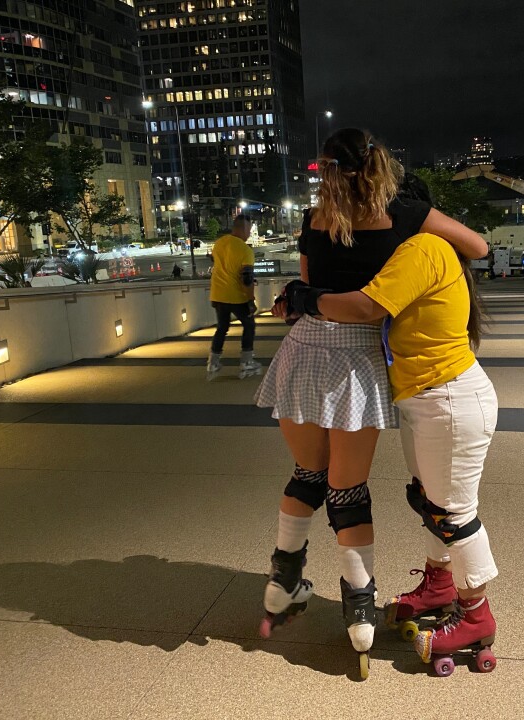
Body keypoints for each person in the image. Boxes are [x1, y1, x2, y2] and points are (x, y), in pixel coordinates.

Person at [252, 128, 489, 677]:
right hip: (358, 364)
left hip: (302, 354)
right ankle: (359, 607)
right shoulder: (405, 213)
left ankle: (282, 580)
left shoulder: (314, 219)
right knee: (347, 488)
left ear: (326, 171)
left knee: (307, 474)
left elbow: (312, 294)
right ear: (378, 162)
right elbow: (478, 246)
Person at [282, 230, 500, 677]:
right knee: (429, 502)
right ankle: (439, 585)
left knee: (454, 514)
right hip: (426, 400)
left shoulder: (423, 248)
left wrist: (305, 298)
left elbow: (366, 306)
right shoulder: (415, 250)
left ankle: (476, 613)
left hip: (450, 401)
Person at [207, 215, 260, 380]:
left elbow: (225, 267)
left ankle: (213, 363)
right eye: (249, 230)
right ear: (243, 229)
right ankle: (246, 362)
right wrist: (250, 300)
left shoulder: (219, 243)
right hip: (236, 296)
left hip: (217, 294)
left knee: (222, 328)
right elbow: (246, 278)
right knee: (249, 325)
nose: (249, 234)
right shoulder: (245, 250)